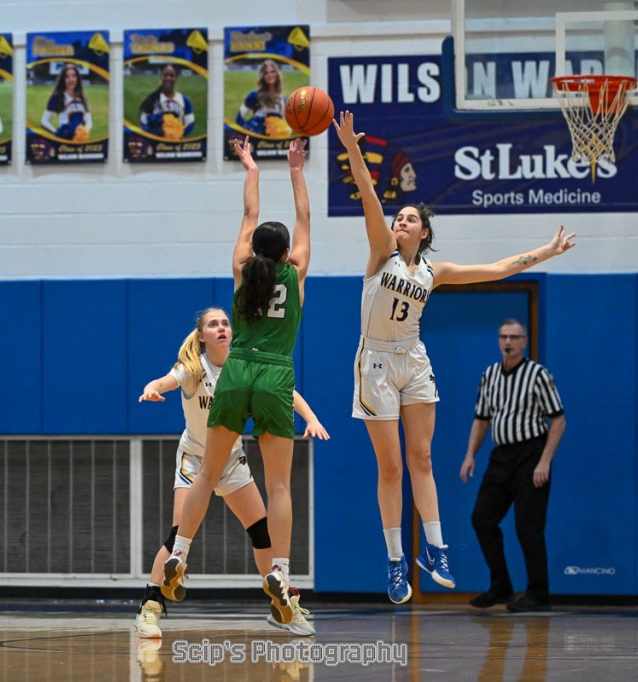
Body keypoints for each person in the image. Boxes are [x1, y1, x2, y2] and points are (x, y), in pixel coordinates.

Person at [333, 110, 576, 604]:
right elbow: (369, 196)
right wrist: (353, 150)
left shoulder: (434, 272)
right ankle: (396, 560)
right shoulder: (380, 253)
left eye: (410, 219)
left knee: (421, 458)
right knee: (391, 468)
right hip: (375, 362)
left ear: (423, 233)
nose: (400, 221)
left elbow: (498, 268)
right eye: (399, 217)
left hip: (413, 360)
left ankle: (436, 549)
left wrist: (546, 253)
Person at [162, 136, 312, 628]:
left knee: (207, 473)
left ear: (254, 250)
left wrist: (252, 167)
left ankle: (180, 553)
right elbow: (305, 218)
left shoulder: (242, 272)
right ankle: (280, 572)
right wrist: (296, 169)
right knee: (279, 484)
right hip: (275, 371)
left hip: (238, 368)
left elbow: (249, 215)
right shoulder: (296, 273)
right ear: (286, 252)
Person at [135, 307, 328, 638]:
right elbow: (165, 381)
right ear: (202, 336)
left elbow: (286, 391)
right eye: (214, 324)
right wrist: (153, 388)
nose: (222, 328)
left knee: (262, 533)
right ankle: (150, 607)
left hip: (231, 460)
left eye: (226, 323)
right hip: (196, 460)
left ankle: (284, 605)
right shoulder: (192, 368)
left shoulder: (242, 368)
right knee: (178, 535)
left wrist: (310, 418)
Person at [459, 319, 566, 612]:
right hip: (501, 455)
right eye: (504, 336)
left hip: (531, 454)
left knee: (528, 526)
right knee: (482, 518)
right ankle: (501, 587)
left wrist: (545, 461)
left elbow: (558, 420)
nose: (508, 342)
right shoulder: (489, 375)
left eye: (515, 337)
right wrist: (470, 455)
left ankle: (538, 594)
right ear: (498, 340)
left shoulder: (538, 375)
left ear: (524, 342)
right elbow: (481, 420)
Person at [139, 63, 195, 140]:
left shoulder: (185, 100)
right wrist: (156, 133)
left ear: (176, 78)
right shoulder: (152, 99)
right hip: (157, 142)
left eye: (172, 76)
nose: (168, 78)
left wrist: (176, 134)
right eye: (165, 75)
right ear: (160, 77)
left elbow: (190, 123)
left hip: (177, 142)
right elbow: (143, 123)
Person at [40, 63, 92, 140]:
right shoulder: (58, 97)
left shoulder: (83, 98)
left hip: (80, 142)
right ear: (63, 80)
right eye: (67, 77)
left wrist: (83, 132)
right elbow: (44, 121)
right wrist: (57, 133)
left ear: (77, 78)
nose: (71, 80)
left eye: (74, 76)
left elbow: (89, 122)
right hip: (64, 142)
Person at [234, 59, 285, 135]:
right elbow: (239, 118)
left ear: (277, 74)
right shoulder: (254, 95)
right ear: (262, 76)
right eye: (266, 73)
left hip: (275, 139)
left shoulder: (282, 99)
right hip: (257, 137)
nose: (270, 75)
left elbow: (284, 123)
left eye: (272, 72)